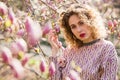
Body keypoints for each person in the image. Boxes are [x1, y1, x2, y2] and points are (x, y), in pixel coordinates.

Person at [47, 3, 118, 80]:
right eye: (73, 27)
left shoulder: (106, 48)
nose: (79, 30)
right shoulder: (69, 51)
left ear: (91, 21)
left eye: (81, 23)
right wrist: (55, 50)